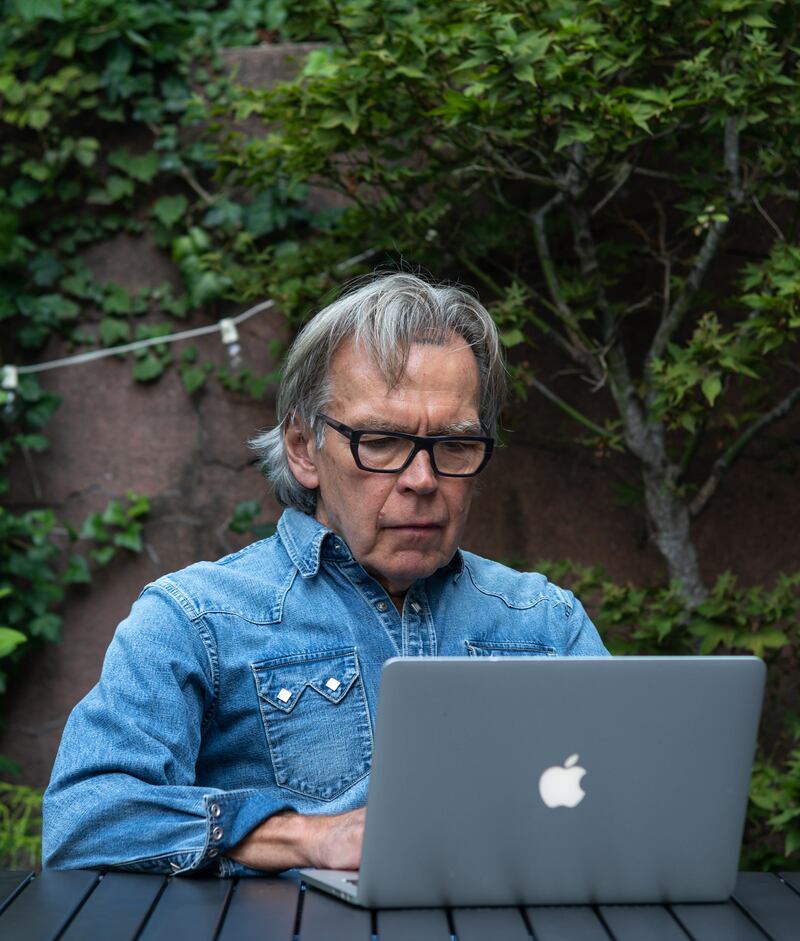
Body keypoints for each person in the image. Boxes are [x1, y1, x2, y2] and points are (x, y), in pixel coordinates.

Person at [42, 273, 608, 876]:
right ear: (303, 448)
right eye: (383, 441)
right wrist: (304, 839)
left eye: (454, 445)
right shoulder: (197, 618)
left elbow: (637, 807)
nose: (422, 480)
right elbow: (83, 821)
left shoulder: (547, 622)